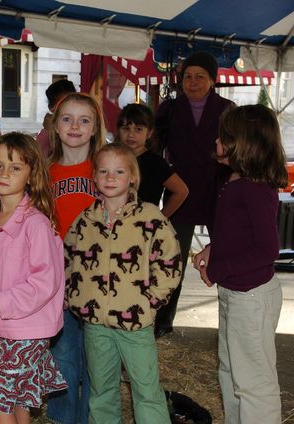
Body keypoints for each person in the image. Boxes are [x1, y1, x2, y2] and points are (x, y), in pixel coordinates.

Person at [65, 143, 181, 423]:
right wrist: (73, 296)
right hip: (96, 325)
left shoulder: (151, 218)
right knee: (101, 390)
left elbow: (170, 261)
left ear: (133, 177)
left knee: (146, 390)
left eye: (119, 171)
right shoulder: (85, 221)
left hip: (136, 325)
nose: (110, 177)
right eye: (103, 171)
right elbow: (68, 259)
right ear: (94, 177)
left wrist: (151, 301)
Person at [193, 105, 287, 424]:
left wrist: (218, 270)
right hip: (235, 293)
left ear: (244, 143)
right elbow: (239, 234)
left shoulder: (255, 187)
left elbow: (266, 249)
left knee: (253, 383)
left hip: (251, 297)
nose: (217, 140)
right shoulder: (234, 180)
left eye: (225, 136)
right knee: (231, 372)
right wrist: (213, 249)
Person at [0, 132, 67, 423]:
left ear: (31, 173)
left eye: (15, 167)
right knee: (20, 397)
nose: (4, 173)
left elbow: (45, 281)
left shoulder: (35, 223)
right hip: (4, 326)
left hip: (27, 330)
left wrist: (3, 300)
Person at [154, 51, 235, 338]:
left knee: (226, 255)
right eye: (187, 76)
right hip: (180, 193)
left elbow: (236, 151)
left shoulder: (228, 109)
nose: (192, 81)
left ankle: (230, 319)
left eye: (200, 76)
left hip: (218, 192)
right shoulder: (169, 109)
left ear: (213, 80)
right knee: (171, 260)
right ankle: (163, 320)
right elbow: (155, 148)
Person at [47, 92, 105, 424]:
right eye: (67, 118)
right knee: (64, 359)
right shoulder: (44, 171)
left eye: (84, 120)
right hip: (59, 282)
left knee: (97, 364)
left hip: (99, 283)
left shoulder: (106, 169)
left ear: (96, 128)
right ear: (55, 126)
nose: (75, 126)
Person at [116, 103, 188, 218]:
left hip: (143, 226)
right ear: (119, 131)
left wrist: (160, 218)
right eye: (126, 129)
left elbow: (181, 191)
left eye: (138, 129)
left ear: (149, 133)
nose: (131, 134)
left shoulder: (156, 163)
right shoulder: (112, 159)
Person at [35, 79, 77, 158]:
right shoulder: (48, 132)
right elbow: (39, 159)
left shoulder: (81, 126)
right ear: (51, 108)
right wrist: (48, 131)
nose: (69, 108)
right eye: (62, 104)